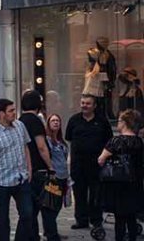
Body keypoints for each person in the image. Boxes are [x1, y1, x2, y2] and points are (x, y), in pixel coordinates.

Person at [0, 98, 33, 241]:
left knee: (28, 214)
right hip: (1, 182)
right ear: (1, 114)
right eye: (11, 111)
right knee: (3, 219)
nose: (14, 113)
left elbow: (25, 147)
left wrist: (29, 169)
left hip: (21, 178)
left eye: (14, 110)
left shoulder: (20, 126)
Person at [65, 94, 113, 231]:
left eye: (87, 103)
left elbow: (109, 141)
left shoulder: (102, 121)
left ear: (94, 106)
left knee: (96, 194)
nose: (84, 105)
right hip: (78, 165)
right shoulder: (74, 120)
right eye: (82, 103)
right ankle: (81, 220)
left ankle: (96, 219)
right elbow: (69, 139)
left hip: (97, 165)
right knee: (79, 193)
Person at [97, 109, 143, 241]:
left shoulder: (116, 141)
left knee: (120, 217)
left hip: (118, 183)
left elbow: (101, 160)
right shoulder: (139, 142)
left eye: (119, 120)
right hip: (135, 183)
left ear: (125, 123)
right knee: (132, 216)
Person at [18, 90, 57, 241]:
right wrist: (50, 166)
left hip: (27, 169)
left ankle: (31, 236)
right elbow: (41, 146)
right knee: (47, 207)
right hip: (39, 170)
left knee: (31, 208)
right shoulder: (35, 121)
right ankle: (51, 236)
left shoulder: (20, 121)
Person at [46, 114, 69, 240]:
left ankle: (51, 230)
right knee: (52, 206)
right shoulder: (48, 140)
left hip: (63, 176)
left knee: (59, 204)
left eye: (58, 120)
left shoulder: (61, 141)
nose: (56, 123)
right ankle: (51, 233)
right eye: (53, 121)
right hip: (54, 177)